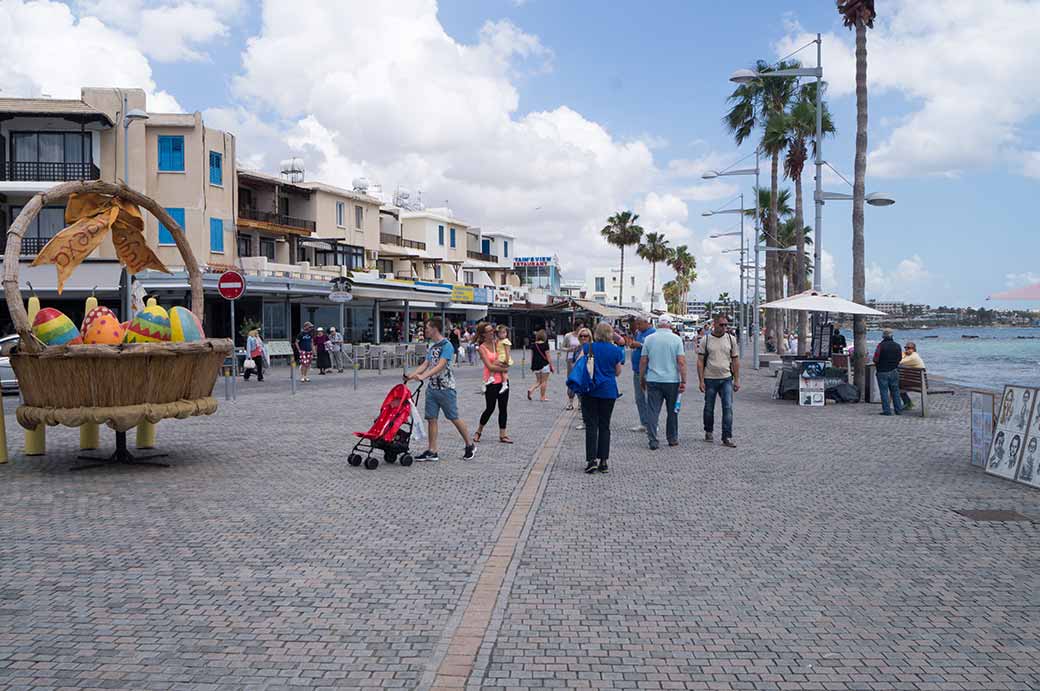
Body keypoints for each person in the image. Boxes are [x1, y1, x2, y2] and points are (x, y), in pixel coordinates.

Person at [405, 318, 476, 461]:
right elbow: (426, 364)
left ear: (435, 329)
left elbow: (441, 365)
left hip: (446, 388)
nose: (425, 330)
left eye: (427, 328)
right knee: (431, 418)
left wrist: (423, 376)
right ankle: (432, 450)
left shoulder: (447, 345)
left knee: (453, 417)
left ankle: (470, 444)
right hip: (432, 388)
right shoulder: (432, 346)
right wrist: (411, 376)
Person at [577, 322, 625, 474]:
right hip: (608, 391)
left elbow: (578, 365)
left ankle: (591, 460)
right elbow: (618, 372)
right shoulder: (616, 350)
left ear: (596, 333)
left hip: (590, 390)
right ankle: (603, 461)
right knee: (605, 425)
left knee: (591, 425)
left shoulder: (588, 348)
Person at [639, 315, 686, 450]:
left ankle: (653, 440)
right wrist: (684, 380)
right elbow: (681, 362)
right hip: (672, 380)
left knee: (653, 411)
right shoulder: (676, 340)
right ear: (670, 325)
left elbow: (643, 361)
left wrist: (642, 378)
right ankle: (672, 438)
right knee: (672, 411)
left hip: (653, 379)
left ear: (658, 324)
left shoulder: (649, 339)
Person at [697, 313, 740, 447]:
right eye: (721, 325)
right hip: (710, 378)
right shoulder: (706, 340)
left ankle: (726, 436)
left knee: (727, 407)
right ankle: (708, 431)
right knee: (709, 408)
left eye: (726, 325)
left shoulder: (731, 339)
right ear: (714, 325)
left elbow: (735, 360)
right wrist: (701, 380)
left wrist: (737, 379)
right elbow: (700, 361)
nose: (724, 327)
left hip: (726, 378)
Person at [474, 322, 512, 444]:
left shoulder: (498, 343)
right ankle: (479, 431)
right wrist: (504, 369)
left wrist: (504, 367)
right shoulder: (482, 348)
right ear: (483, 334)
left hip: (503, 381)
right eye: (489, 331)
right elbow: (489, 366)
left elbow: (506, 358)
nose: (492, 332)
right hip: (491, 382)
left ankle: (503, 434)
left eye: (492, 330)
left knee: (503, 408)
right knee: (490, 408)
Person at [625, 317, 655, 433]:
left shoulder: (652, 334)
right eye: (636, 324)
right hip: (637, 370)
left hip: (647, 370)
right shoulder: (639, 333)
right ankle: (644, 423)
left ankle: (652, 424)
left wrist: (640, 345)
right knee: (639, 398)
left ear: (646, 323)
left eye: (639, 324)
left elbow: (652, 348)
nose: (637, 327)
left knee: (648, 398)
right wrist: (634, 345)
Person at [873, 328, 904, 416]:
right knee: (895, 391)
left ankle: (887, 411)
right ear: (892, 335)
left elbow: (875, 358)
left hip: (882, 371)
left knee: (884, 391)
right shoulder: (897, 345)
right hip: (894, 370)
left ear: (883, 336)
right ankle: (898, 410)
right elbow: (900, 358)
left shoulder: (881, 346)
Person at [527, 328, 554, 401]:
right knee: (544, 381)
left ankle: (531, 389)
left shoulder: (533, 345)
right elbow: (548, 357)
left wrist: (532, 366)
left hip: (536, 366)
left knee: (538, 381)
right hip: (544, 365)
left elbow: (532, 356)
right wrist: (552, 366)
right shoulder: (545, 345)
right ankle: (543, 396)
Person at [562, 323, 583, 411]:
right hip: (570, 359)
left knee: (580, 381)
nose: (581, 329)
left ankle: (580, 403)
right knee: (571, 380)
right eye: (580, 327)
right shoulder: (568, 336)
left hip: (581, 360)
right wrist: (569, 349)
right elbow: (562, 347)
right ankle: (570, 402)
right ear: (576, 327)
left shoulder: (583, 336)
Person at [899, 341, 924, 409]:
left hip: (917, 382)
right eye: (905, 348)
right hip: (917, 381)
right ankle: (908, 403)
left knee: (895, 385)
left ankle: (906, 404)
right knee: (898, 385)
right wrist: (905, 353)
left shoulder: (913, 357)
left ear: (914, 349)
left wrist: (903, 353)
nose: (907, 349)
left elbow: (899, 361)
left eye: (909, 348)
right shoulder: (912, 356)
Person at [495, 324, 514, 392]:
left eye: (504, 332)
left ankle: (505, 384)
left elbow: (507, 352)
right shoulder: (498, 341)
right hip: (500, 356)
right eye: (500, 332)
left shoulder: (506, 341)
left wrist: (507, 359)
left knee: (503, 371)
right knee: (503, 371)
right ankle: (504, 383)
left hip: (503, 357)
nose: (502, 334)